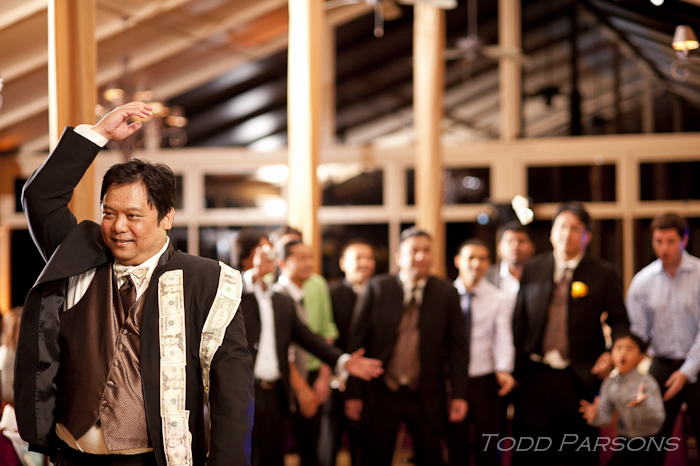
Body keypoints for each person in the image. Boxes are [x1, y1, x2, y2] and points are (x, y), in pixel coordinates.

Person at [14, 102, 254, 466]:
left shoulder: (207, 280)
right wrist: (98, 134)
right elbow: (40, 197)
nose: (118, 227)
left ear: (167, 217)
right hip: (70, 456)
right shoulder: (78, 254)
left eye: (133, 215)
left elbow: (231, 393)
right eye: (109, 213)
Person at [236, 230, 383, 466]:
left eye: (270, 250)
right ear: (247, 257)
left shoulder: (281, 301)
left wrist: (343, 362)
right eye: (262, 250)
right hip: (245, 391)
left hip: (276, 393)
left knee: (274, 458)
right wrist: (251, 275)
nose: (269, 255)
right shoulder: (236, 294)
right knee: (242, 457)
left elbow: (309, 339)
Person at [512, 201, 629, 466]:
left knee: (578, 455)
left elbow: (620, 322)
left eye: (575, 228)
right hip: (534, 377)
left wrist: (610, 354)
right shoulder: (533, 269)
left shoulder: (603, 273)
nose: (567, 233)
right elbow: (519, 322)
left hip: (579, 377)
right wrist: (517, 369)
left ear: (587, 235)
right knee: (530, 454)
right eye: (561, 226)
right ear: (551, 232)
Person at [345, 227, 468, 466]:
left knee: (432, 457)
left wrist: (459, 395)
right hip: (380, 391)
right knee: (373, 458)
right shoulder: (377, 288)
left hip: (425, 393)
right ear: (399, 256)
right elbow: (357, 343)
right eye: (413, 251)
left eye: (426, 251)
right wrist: (354, 394)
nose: (420, 256)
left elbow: (457, 349)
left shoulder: (446, 292)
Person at [626, 212, 700, 465]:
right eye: (658, 241)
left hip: (698, 363)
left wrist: (686, 372)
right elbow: (638, 333)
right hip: (662, 364)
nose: (664, 248)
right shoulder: (642, 281)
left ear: (684, 240)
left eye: (670, 241)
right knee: (651, 442)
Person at [448, 239, 515, 466]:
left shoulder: (498, 298)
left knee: (488, 442)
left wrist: (503, 368)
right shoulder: (445, 295)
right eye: (471, 258)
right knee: (456, 444)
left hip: (485, 379)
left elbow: (503, 337)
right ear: (458, 261)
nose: (476, 263)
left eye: (483, 258)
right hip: (452, 379)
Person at [272, 239, 338, 466]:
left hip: (312, 375)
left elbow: (324, 334)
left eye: (311, 257)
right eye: (301, 258)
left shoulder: (313, 287)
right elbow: (279, 349)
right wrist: (301, 388)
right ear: (282, 262)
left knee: (312, 449)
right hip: (284, 381)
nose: (309, 263)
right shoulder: (275, 295)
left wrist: (324, 377)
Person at [579, 332, 665, 466]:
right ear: (611, 355)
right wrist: (595, 416)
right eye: (618, 348)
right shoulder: (609, 384)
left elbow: (659, 417)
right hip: (626, 440)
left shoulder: (647, 382)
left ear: (641, 357)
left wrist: (642, 405)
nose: (623, 353)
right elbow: (605, 417)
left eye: (630, 348)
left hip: (651, 441)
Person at [329, 239, 377, 466]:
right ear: (343, 263)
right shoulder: (331, 293)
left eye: (369, 258)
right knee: (328, 447)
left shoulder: (382, 294)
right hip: (333, 380)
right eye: (358, 258)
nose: (364, 263)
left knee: (366, 450)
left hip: (369, 382)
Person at [484, 221, 534, 300]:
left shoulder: (541, 275)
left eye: (521, 241)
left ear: (531, 247)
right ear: (499, 249)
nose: (515, 246)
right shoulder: (486, 276)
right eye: (509, 241)